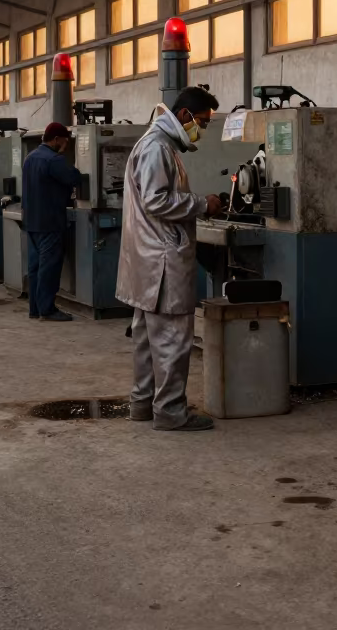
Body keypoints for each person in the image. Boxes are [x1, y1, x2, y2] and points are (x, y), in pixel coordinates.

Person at [117, 86, 224, 432]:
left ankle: (142, 404)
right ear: (184, 116)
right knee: (173, 342)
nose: (202, 130)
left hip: (148, 259)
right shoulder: (156, 148)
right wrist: (201, 204)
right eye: (202, 122)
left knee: (148, 342)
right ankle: (170, 412)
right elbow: (156, 201)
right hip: (161, 261)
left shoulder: (158, 145)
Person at [22, 122, 82, 321]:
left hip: (31, 222)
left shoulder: (30, 158)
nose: (65, 146)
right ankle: (47, 309)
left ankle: (34, 309)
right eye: (64, 142)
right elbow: (74, 177)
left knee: (35, 268)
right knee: (49, 268)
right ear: (56, 139)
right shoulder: (54, 160)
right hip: (50, 222)